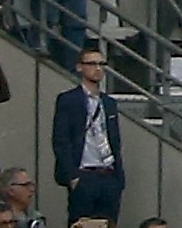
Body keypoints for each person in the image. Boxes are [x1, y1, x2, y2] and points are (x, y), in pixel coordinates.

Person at [49, 46, 121, 228]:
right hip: (84, 174)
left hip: (108, 174)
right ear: (80, 67)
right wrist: (72, 176)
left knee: (108, 223)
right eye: (92, 64)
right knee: (81, 223)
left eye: (101, 64)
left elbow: (115, 140)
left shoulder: (109, 103)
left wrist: (118, 178)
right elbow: (61, 139)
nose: (98, 68)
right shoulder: (68, 99)